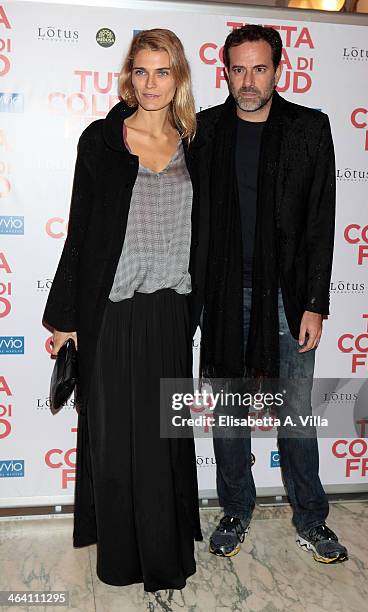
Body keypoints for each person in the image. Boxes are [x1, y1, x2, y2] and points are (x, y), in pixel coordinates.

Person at [43, 29, 209, 592]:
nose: (152, 83)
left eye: (163, 72)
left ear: (179, 77)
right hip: (111, 313)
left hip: (169, 313)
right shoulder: (103, 140)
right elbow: (80, 230)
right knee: (114, 438)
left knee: (164, 435)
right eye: (142, 71)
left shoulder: (196, 142)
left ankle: (165, 554)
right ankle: (120, 558)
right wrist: (66, 317)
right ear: (127, 77)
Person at [197, 25, 348, 564]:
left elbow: (319, 222)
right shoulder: (206, 129)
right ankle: (236, 509)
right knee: (230, 416)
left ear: (279, 70)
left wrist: (315, 302)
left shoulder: (309, 129)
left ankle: (311, 518)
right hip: (221, 298)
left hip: (286, 302)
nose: (248, 80)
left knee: (296, 414)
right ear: (227, 72)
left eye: (259, 68)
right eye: (238, 69)